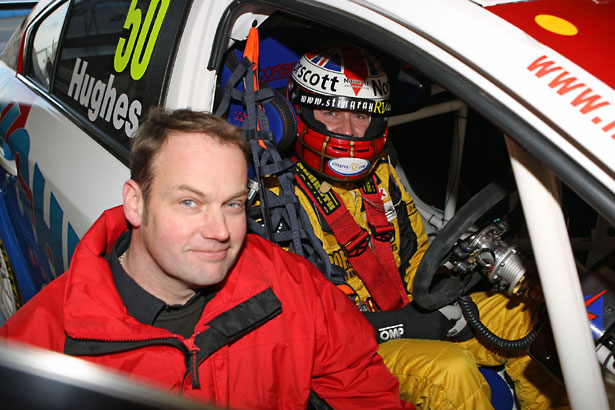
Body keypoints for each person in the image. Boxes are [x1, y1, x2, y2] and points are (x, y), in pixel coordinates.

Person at [0, 108, 413, 409]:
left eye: (232, 205)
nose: (220, 231)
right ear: (135, 203)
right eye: (190, 202)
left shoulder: (294, 286)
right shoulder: (42, 346)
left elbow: (369, 394)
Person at [270, 42, 569, 410]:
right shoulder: (276, 199)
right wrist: (413, 324)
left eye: (361, 116)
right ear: (300, 114)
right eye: (330, 112)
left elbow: (416, 258)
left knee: (534, 321)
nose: (348, 131)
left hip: (408, 313)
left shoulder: (380, 173)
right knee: (452, 371)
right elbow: (313, 333)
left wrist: (446, 283)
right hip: (352, 355)